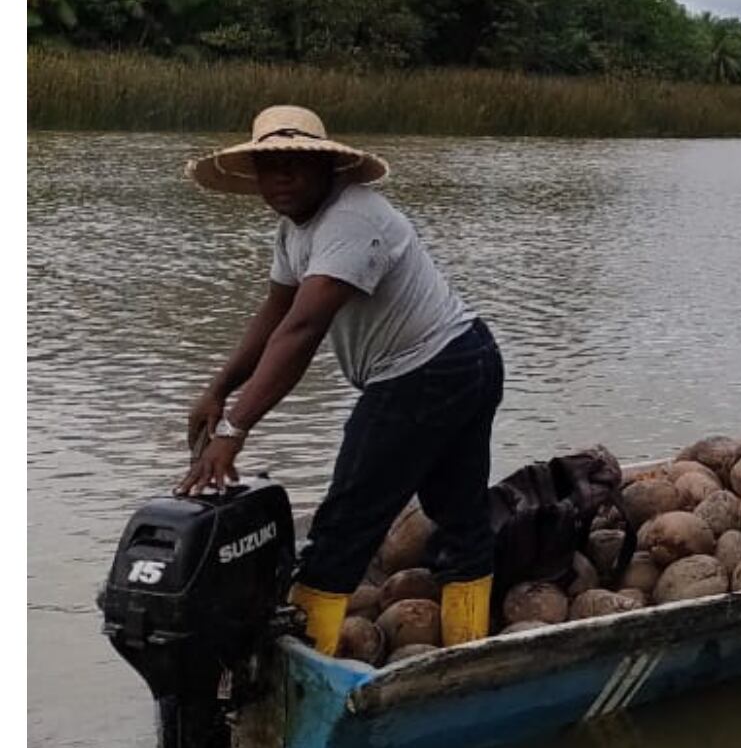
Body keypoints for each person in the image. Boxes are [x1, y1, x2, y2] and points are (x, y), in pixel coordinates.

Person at [180, 106, 504, 654]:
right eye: (268, 165)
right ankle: (464, 650)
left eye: (295, 163)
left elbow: (303, 330)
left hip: (429, 370)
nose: (280, 177)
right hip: (462, 360)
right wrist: (217, 389)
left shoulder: (353, 220)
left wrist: (234, 429)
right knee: (459, 514)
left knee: (345, 523)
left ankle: (307, 665)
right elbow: (274, 316)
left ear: (327, 167)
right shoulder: (295, 230)